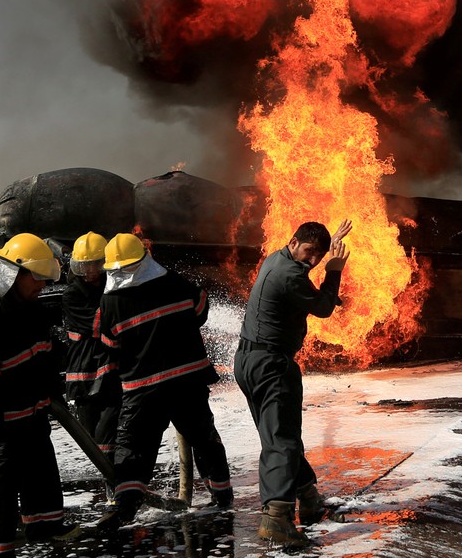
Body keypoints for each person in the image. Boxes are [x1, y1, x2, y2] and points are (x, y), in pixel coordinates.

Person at [95, 233, 233, 528]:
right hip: (187, 382)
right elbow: (200, 309)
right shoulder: (174, 282)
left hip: (142, 390)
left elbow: (109, 344)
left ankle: (126, 507)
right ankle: (222, 496)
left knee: (133, 447)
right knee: (203, 438)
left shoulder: (111, 302)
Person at [234, 219, 352, 547]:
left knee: (280, 433)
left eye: (320, 255)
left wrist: (329, 250)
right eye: (310, 252)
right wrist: (334, 270)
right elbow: (324, 308)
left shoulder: (277, 259)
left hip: (249, 360)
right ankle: (276, 519)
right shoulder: (289, 274)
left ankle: (310, 501)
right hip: (271, 364)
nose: (313, 260)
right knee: (281, 441)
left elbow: (302, 282)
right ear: (294, 241)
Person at [0, 233, 78, 557]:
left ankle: (46, 527)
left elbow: (45, 357)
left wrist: (54, 395)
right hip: (2, 431)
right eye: (37, 277)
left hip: (32, 419)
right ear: (15, 274)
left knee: (42, 478)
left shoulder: (31, 310)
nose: (42, 285)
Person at [62, 231, 121, 501]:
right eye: (84, 266)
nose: (90, 271)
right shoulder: (73, 294)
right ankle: (112, 485)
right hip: (84, 375)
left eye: (95, 264)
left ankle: (117, 489)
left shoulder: (113, 285)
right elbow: (101, 323)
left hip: (109, 370)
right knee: (93, 440)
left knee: (108, 431)